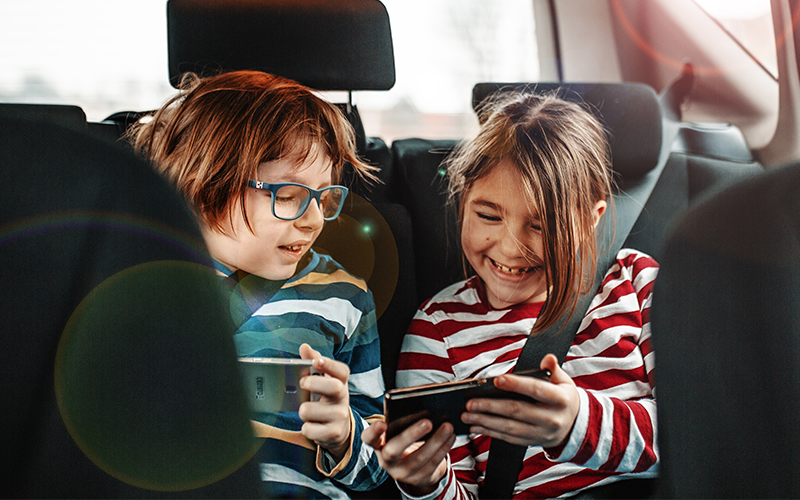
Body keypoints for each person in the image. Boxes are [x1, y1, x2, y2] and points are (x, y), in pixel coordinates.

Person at [362, 91, 659, 498]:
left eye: (541, 225)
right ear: (463, 202)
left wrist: (578, 424)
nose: (509, 248)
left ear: (591, 220)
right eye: (488, 216)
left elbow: (695, 432)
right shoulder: (437, 329)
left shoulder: (637, 281)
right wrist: (427, 480)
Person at [129, 70, 387, 499]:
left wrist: (344, 435)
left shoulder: (344, 296)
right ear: (205, 184)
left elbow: (378, 462)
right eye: (287, 196)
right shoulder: (139, 285)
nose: (314, 220)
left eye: (323, 197)